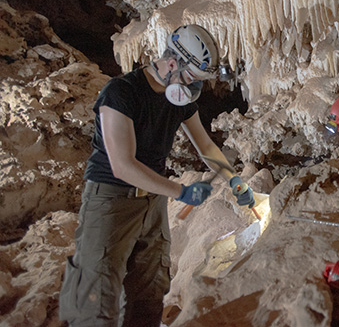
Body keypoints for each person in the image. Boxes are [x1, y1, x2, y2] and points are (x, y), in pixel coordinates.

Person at [59, 24, 254, 327]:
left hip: (152, 202)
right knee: (96, 292)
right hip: (111, 199)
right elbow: (122, 165)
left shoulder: (180, 101)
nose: (193, 88)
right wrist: (180, 192)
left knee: (149, 290)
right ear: (172, 63)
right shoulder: (121, 93)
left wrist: (233, 179)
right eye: (191, 78)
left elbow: (205, 146)